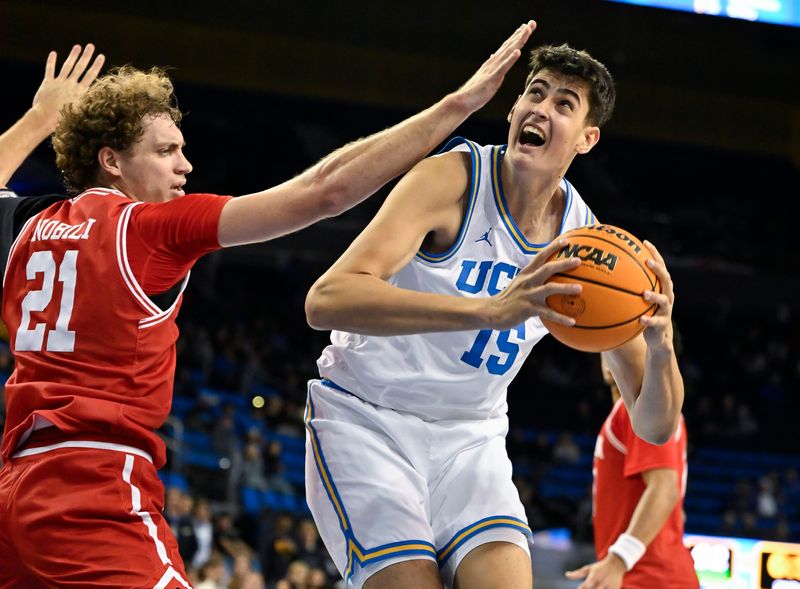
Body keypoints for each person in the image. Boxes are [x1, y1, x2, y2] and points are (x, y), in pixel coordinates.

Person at [0, 22, 536, 589]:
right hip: (94, 483)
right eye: (166, 151)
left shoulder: (27, 226)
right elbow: (324, 191)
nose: (185, 166)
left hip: (17, 485)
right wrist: (458, 105)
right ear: (111, 160)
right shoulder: (152, 228)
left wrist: (38, 117)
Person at [304, 38, 684, 588]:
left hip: (470, 437)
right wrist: (486, 311)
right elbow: (327, 299)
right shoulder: (450, 180)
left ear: (587, 139)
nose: (541, 109)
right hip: (367, 419)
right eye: (535, 93)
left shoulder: (590, 246)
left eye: (564, 104)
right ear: (512, 110)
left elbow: (655, 424)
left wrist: (662, 344)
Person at [565, 359, 698, 589]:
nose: (611, 348)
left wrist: (619, 560)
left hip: (647, 576)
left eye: (624, 336)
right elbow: (677, 511)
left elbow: (666, 490)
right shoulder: (656, 409)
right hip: (655, 573)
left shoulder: (639, 409)